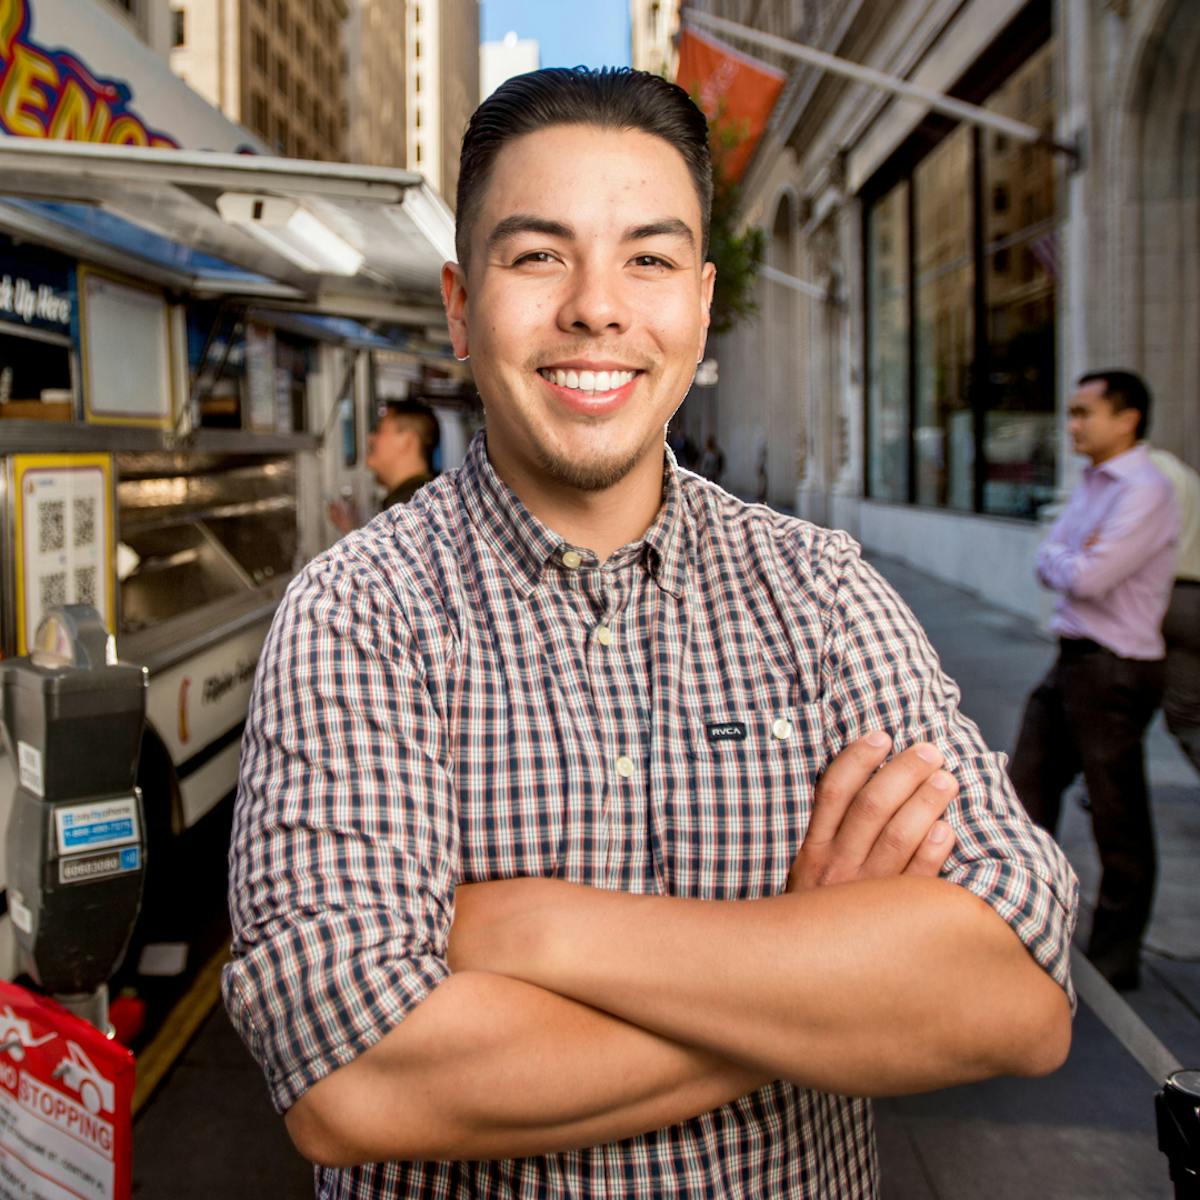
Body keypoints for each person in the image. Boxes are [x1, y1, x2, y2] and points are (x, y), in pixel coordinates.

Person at [224, 68, 1076, 1199]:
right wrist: (816, 977)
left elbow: (1017, 993)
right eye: (538, 256)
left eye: (650, 258)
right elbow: (357, 1081)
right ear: (460, 305)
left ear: (702, 301)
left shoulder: (817, 591)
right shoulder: (359, 611)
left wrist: (541, 931)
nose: (597, 307)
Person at [1010, 370, 1179, 991]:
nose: (1073, 425)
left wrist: (1069, 557)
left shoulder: (1146, 489)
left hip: (1115, 668)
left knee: (1117, 815)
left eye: (1085, 413)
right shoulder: (1093, 482)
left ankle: (1116, 956)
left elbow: (1086, 577)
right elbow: (1053, 554)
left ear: (1127, 418)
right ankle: (1019, 925)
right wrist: (1070, 555)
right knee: (1021, 794)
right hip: (1074, 659)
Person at [1147, 446, 1200, 775]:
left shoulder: (1144, 474)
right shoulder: (1186, 475)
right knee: (1188, 712)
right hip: (1191, 596)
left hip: (1163, 596)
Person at [327, 400, 440, 533]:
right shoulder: (422, 502)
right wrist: (351, 529)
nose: (370, 438)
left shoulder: (411, 509)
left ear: (406, 441)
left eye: (379, 430)